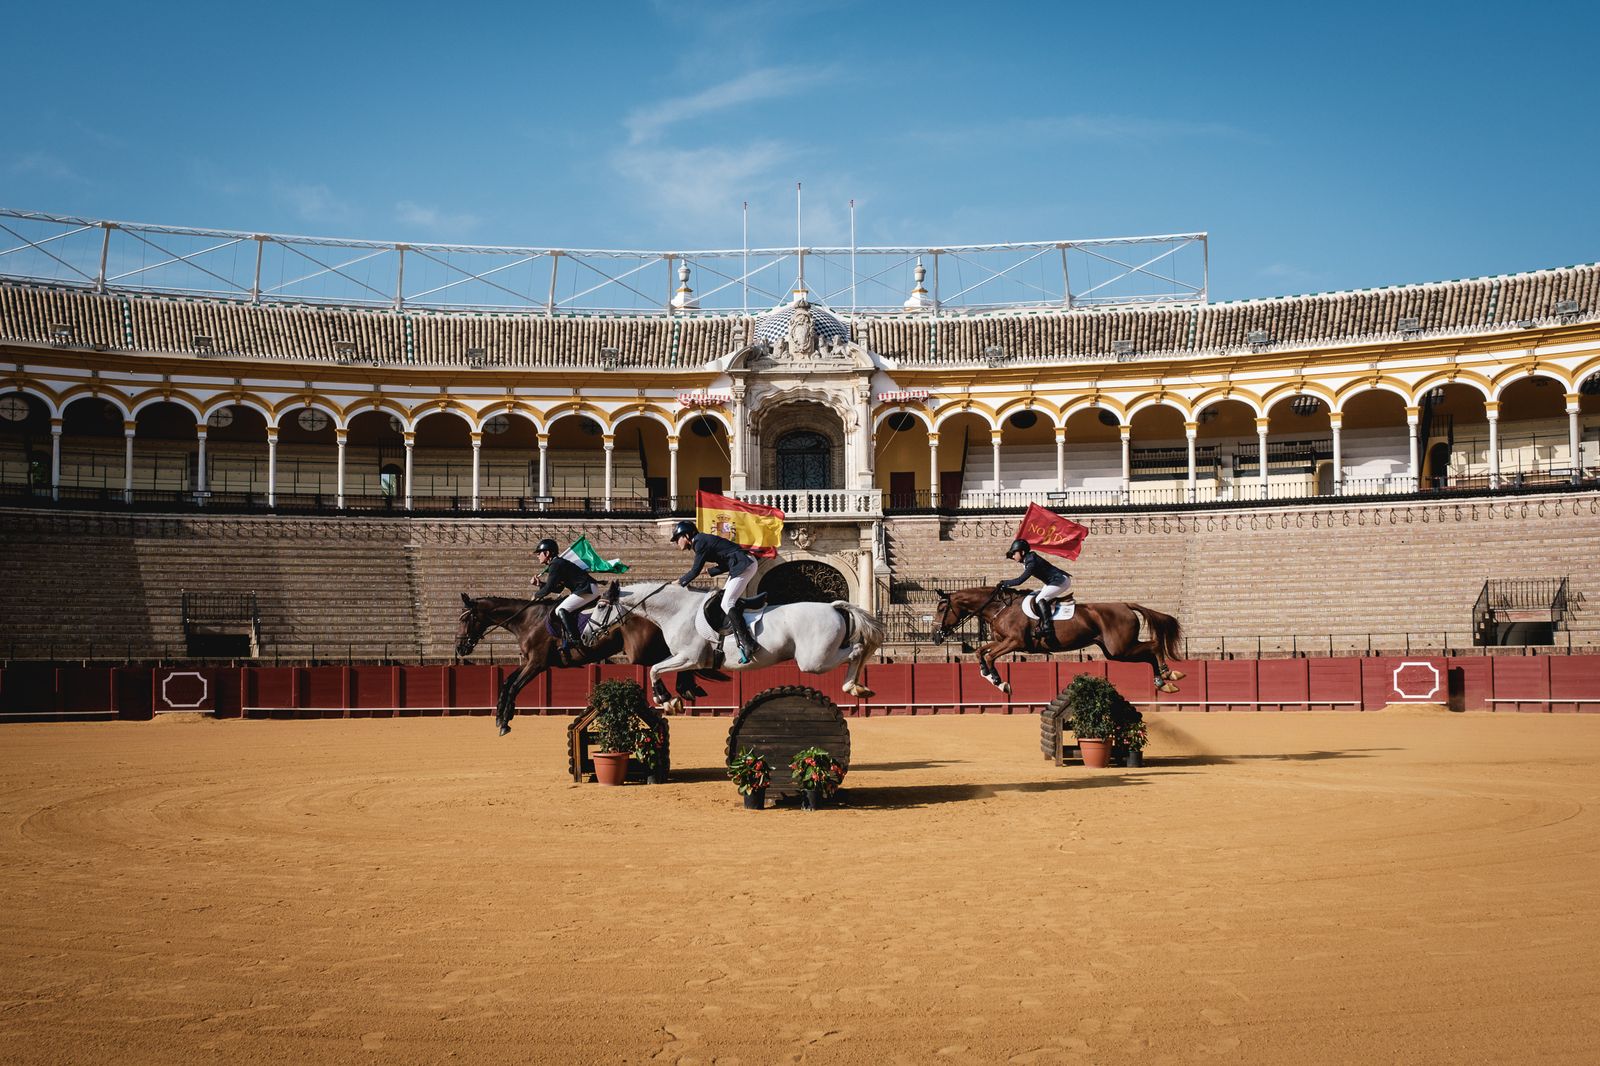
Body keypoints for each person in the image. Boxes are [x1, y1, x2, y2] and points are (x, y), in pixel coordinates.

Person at [670, 518, 760, 664]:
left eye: (677, 538)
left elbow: (694, 571)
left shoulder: (699, 542)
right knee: (724, 599)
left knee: (727, 603)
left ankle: (749, 643)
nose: (676, 542)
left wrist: (679, 582)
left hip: (744, 563)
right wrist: (710, 571)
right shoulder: (700, 541)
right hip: (740, 564)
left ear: (686, 535)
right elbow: (725, 563)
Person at [529, 537, 598, 651]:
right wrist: (539, 584)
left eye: (539, 553)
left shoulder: (555, 564)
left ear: (547, 553)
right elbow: (558, 589)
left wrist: (536, 596)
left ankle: (575, 640)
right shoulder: (556, 563)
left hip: (587, 589)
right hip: (586, 588)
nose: (537, 556)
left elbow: (549, 588)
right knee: (561, 607)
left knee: (560, 610)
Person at [999, 537, 1073, 641]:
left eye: (1014, 553)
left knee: (1039, 599)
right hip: (1053, 581)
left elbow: (1020, 580)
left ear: (1022, 552)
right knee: (1038, 595)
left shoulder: (1031, 562)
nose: (1013, 556)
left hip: (1061, 581)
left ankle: (1047, 628)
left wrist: (1005, 583)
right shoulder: (1028, 559)